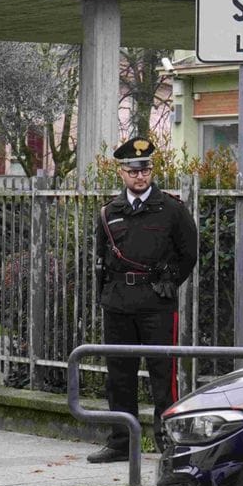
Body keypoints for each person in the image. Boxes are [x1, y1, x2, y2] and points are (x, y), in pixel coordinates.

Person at [87, 137, 198, 463]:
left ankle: (169, 442)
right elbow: (102, 259)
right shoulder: (110, 212)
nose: (140, 176)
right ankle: (121, 441)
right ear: (121, 172)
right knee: (119, 375)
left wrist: (168, 283)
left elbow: (189, 253)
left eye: (145, 169)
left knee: (162, 376)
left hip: (156, 303)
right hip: (119, 303)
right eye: (133, 170)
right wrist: (107, 297)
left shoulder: (171, 209)